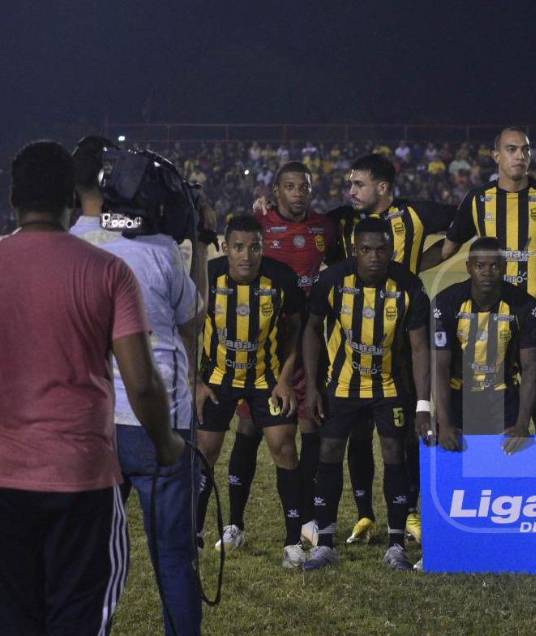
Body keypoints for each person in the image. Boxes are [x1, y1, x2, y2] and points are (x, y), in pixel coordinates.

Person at [0, 140, 184, 635]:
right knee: (79, 619)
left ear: (13, 197)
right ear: (73, 197)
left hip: (5, 476)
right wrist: (165, 441)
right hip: (80, 478)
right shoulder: (107, 272)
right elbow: (142, 383)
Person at [73, 136, 206, 635]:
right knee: (173, 558)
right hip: (158, 419)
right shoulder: (161, 251)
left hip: (96, 420)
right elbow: (193, 318)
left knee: (90, 555)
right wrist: (202, 243)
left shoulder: (73, 244)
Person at [325, 153, 450, 543]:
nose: (351, 191)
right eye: (350, 184)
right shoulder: (342, 219)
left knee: (407, 432)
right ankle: (365, 515)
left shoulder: (416, 214)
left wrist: (423, 262)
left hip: (403, 340)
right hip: (353, 345)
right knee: (358, 432)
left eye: (358, 184)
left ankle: (408, 511)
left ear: (382, 187)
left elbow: (466, 220)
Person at [300, 217, 431, 571]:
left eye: (382, 250)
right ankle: (325, 544)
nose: (374, 257)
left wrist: (423, 403)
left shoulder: (409, 286)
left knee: (393, 453)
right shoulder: (332, 280)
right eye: (367, 250)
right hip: (343, 384)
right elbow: (312, 329)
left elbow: (420, 347)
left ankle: (396, 545)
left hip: (389, 385)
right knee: (329, 451)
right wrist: (312, 386)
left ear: (392, 250)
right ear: (354, 250)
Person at [192, 215, 307, 567]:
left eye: (254, 247)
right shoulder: (207, 277)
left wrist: (285, 379)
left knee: (284, 447)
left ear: (262, 247)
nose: (247, 255)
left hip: (265, 379)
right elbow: (185, 327)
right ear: (225, 247)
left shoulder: (281, 278)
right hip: (217, 378)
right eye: (238, 247)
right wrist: (195, 381)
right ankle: (194, 535)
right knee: (204, 452)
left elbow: (295, 331)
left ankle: (293, 542)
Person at [232, 162, 337, 548]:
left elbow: (340, 263)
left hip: (307, 343)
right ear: (276, 191)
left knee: (310, 425)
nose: (298, 193)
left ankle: (306, 518)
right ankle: (235, 524)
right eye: (290, 187)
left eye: (303, 187)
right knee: (248, 429)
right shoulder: (261, 224)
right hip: (264, 346)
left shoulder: (325, 228)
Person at [433, 127, 536, 312]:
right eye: (512, 149)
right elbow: (446, 249)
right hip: (490, 315)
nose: (520, 156)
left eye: (525, 150)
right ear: (496, 156)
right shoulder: (477, 199)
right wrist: (407, 266)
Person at [431, 237, 536, 452]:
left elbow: (531, 369)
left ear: (504, 267)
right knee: (456, 461)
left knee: (505, 462)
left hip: (503, 397)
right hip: (459, 397)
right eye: (480, 266)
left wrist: (522, 424)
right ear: (468, 267)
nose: (487, 272)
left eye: (494, 266)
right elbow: (440, 367)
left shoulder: (525, 306)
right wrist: (444, 423)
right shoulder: (446, 302)